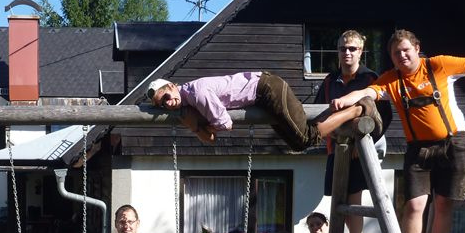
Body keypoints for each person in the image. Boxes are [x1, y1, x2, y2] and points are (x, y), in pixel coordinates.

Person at [331, 29, 465, 233]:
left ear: (417, 49)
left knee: (443, 203)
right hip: (419, 149)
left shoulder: (438, 65)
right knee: (415, 204)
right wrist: (346, 100)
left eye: (406, 50)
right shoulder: (392, 79)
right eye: (396, 53)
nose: (402, 56)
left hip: (453, 143)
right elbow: (368, 92)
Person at [147, 71, 381, 152]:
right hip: (262, 96)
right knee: (297, 144)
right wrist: (200, 126)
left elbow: (225, 123)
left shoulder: (197, 93)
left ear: (172, 86)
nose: (168, 103)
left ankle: (358, 108)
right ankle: (345, 118)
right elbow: (211, 137)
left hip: (267, 89)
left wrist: (199, 126)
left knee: (305, 138)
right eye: (162, 105)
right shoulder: (189, 100)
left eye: (166, 96)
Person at [315, 30, 392, 233]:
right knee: (339, 199)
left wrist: (364, 143)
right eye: (343, 49)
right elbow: (319, 111)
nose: (347, 53)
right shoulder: (330, 81)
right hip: (336, 147)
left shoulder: (370, 79)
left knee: (354, 198)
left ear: (361, 52)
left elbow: (384, 117)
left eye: (352, 49)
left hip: (361, 148)